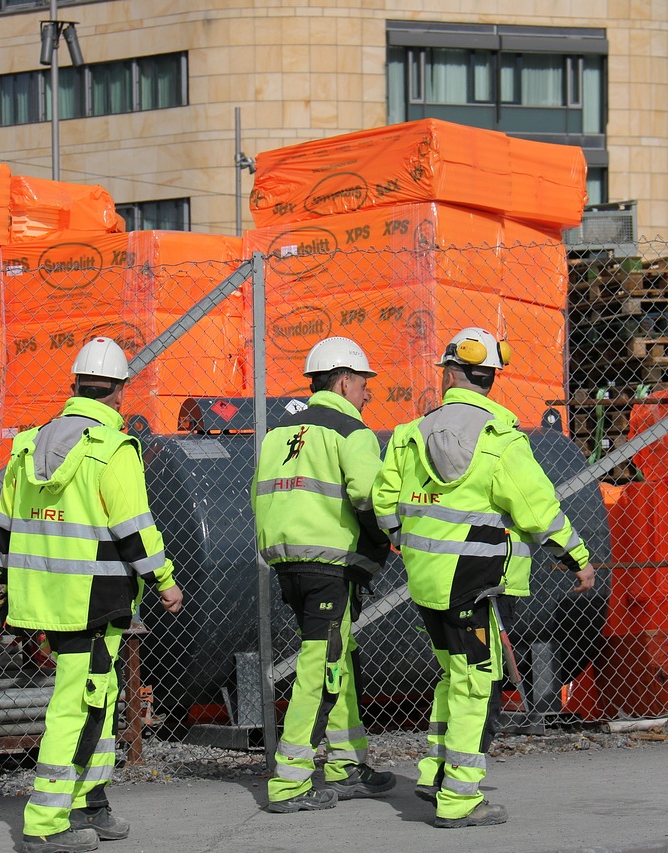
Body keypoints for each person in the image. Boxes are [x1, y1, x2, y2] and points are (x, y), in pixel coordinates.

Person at [371, 327, 594, 830]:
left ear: (449, 373)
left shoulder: (410, 435)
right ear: (491, 379)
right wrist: (577, 556)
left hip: (427, 584)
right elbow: (537, 509)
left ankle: (437, 772)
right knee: (475, 685)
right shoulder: (501, 440)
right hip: (480, 583)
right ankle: (459, 798)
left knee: (454, 677)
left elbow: (385, 503)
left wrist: (401, 537)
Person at [0, 336, 184, 853]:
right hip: (95, 601)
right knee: (77, 705)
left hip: (44, 600)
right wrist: (164, 581)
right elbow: (135, 529)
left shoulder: (29, 445)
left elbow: (4, 532)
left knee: (97, 698)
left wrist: (15, 591)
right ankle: (46, 823)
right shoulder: (112, 450)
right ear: (119, 393)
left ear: (75, 386)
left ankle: (90, 803)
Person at [252, 336, 396, 813]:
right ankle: (290, 782)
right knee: (323, 667)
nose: (367, 394)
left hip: (289, 561)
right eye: (363, 384)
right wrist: (384, 544)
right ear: (343, 380)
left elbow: (263, 497)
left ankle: (346, 765)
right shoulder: (350, 431)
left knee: (340, 654)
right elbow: (369, 498)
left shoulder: (279, 433)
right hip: (331, 564)